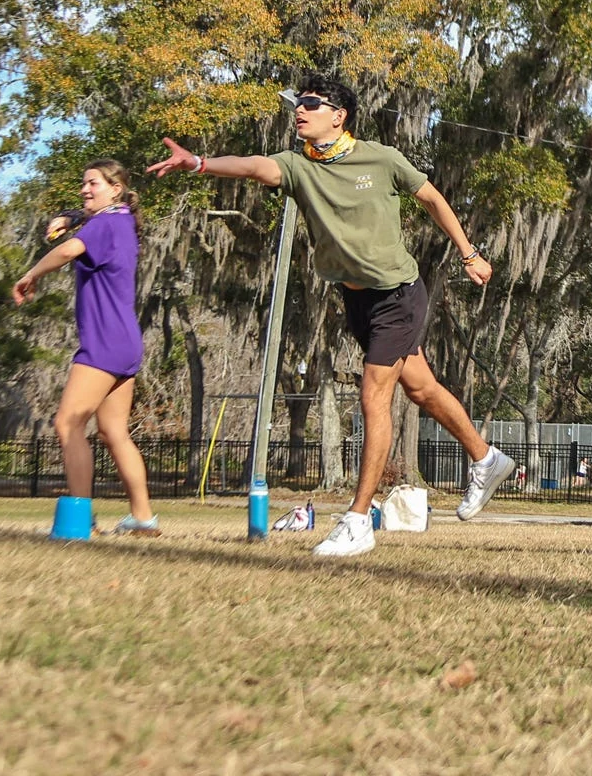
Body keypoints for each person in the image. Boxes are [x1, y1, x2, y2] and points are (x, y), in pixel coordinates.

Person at [147, 74, 513, 558]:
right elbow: (253, 166)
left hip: (399, 295)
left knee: (373, 398)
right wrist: (199, 163)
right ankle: (486, 458)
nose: (300, 110)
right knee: (421, 388)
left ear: (339, 116)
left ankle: (358, 520)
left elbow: (431, 198)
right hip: (356, 300)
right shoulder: (297, 165)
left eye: (311, 104)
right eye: (298, 104)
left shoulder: (381, 159)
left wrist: (469, 254)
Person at [12, 160, 158, 536]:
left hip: (104, 342)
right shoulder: (121, 221)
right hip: (125, 342)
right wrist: (69, 216)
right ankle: (143, 519)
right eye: (83, 183)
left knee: (68, 423)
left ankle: (79, 519)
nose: (84, 189)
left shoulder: (105, 224)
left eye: (93, 183)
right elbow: (85, 222)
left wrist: (31, 274)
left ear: (116, 189)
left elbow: (68, 251)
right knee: (113, 432)